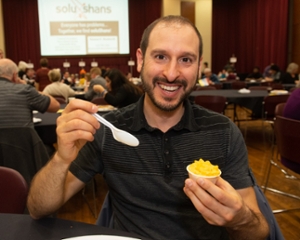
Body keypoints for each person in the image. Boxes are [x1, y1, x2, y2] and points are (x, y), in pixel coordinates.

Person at [27, 16, 269, 240]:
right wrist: (61, 158)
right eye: (160, 56)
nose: (172, 74)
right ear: (141, 60)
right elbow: (38, 208)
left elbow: (259, 232)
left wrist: (240, 219)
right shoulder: (108, 131)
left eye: (185, 59)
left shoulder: (224, 132)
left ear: (198, 66)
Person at [0, 58, 60, 128]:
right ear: (14, 76)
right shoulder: (25, 90)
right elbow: (55, 106)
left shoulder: (38, 72)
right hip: (22, 138)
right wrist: (27, 87)